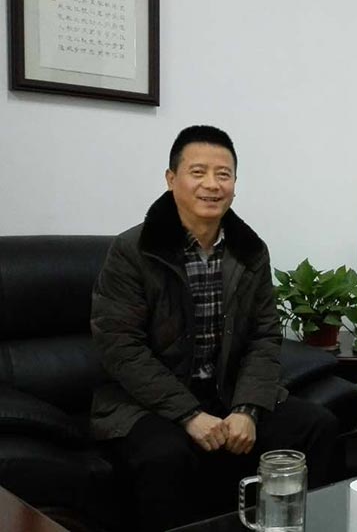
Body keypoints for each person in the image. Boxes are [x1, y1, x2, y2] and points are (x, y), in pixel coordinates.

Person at [90, 125, 338, 531]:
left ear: (235, 185)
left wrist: (247, 409)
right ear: (171, 179)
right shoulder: (133, 251)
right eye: (198, 172)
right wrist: (188, 413)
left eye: (223, 174)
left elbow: (264, 337)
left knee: (317, 426)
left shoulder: (250, 251)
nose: (212, 184)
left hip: (228, 390)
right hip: (148, 402)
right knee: (165, 457)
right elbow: (121, 348)